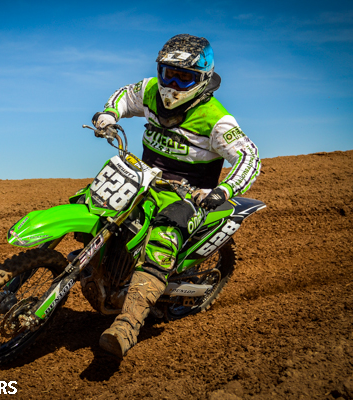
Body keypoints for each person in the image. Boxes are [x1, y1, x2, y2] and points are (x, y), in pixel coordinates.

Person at [92, 34, 261, 358]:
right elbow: (125, 95)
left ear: (203, 79)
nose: (173, 85)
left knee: (163, 240)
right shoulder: (150, 90)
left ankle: (127, 325)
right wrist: (109, 114)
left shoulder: (217, 119)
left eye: (185, 78)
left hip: (188, 196)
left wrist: (222, 191)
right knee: (95, 200)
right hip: (143, 178)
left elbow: (249, 157)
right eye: (169, 73)